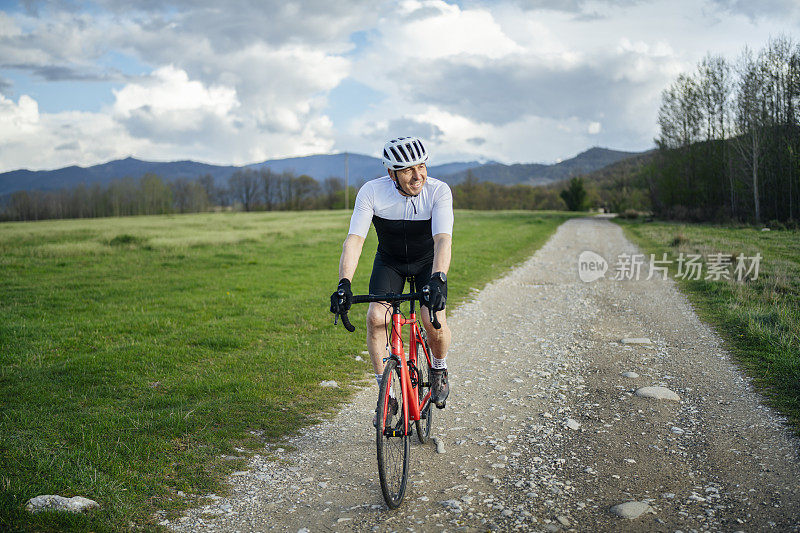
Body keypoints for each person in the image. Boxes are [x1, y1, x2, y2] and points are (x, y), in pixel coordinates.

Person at [330, 136, 453, 423]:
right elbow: (355, 239)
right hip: (390, 263)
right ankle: (388, 396)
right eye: (408, 169)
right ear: (391, 174)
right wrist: (344, 282)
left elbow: (443, 239)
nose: (417, 175)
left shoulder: (438, 191)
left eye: (421, 166)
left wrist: (439, 278)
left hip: (427, 262)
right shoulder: (372, 192)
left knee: (432, 318)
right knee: (376, 318)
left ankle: (438, 368)